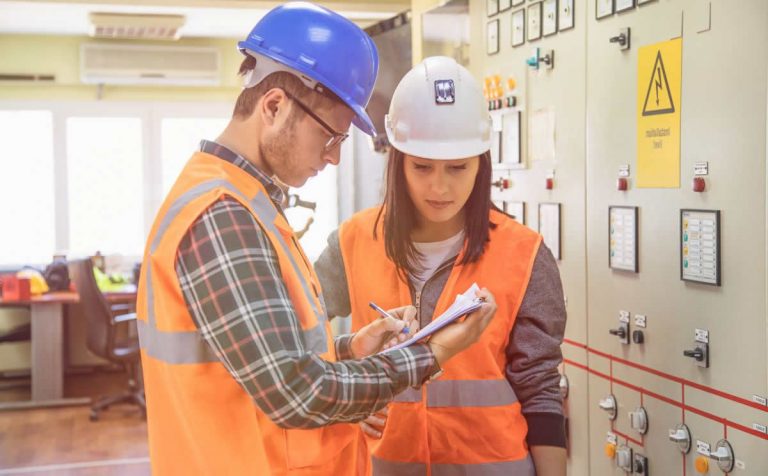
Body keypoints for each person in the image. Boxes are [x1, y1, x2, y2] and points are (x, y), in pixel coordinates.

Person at [135, 4, 498, 475]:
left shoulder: (248, 204)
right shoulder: (222, 216)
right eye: (331, 137)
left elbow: (262, 357)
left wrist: (347, 349)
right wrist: (433, 353)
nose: (333, 159)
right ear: (274, 106)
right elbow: (295, 393)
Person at [315, 56, 568, 476]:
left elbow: (540, 389)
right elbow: (292, 345)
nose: (439, 186)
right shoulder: (352, 241)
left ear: (481, 163)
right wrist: (340, 404)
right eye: (422, 167)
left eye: (457, 168)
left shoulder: (523, 253)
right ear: (397, 161)